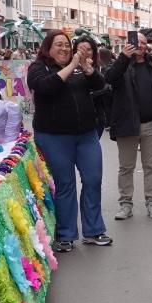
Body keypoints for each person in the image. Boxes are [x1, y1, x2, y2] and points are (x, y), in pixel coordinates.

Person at [27, 30, 111, 251]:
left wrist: (89, 70)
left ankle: (94, 230)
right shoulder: (39, 68)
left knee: (93, 180)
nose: (64, 49)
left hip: (86, 135)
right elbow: (46, 87)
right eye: (59, 45)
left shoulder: (79, 68)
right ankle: (65, 234)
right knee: (65, 185)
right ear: (48, 48)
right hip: (54, 137)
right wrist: (72, 65)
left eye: (67, 45)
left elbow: (99, 85)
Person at [106, 32, 152, 220]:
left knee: (151, 167)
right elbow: (109, 78)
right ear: (130, 44)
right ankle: (125, 204)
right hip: (127, 125)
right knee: (126, 167)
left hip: (151, 125)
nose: (141, 46)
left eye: (144, 43)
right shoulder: (121, 66)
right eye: (137, 42)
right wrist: (124, 58)